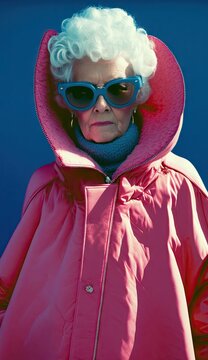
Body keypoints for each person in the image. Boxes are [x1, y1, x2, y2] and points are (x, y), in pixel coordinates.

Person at [0, 6, 207, 360]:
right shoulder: (46, 187)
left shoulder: (180, 185)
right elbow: (6, 293)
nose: (101, 105)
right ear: (66, 103)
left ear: (139, 95)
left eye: (119, 90)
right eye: (82, 93)